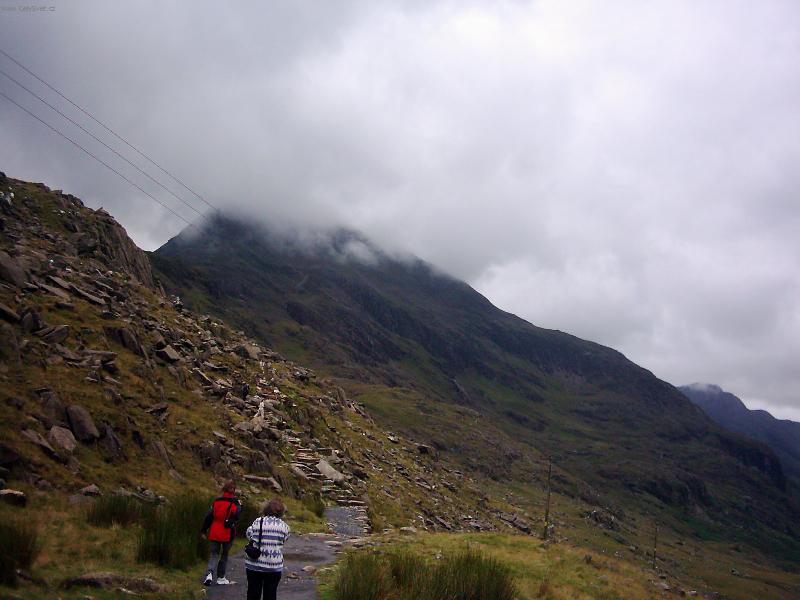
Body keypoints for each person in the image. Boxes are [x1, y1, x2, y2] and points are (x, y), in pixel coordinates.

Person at [245, 498, 290, 600]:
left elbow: (249, 534)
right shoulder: (284, 527)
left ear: (266, 509)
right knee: (271, 594)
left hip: (254, 565)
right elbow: (284, 539)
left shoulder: (258, 521)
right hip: (274, 566)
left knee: (253, 593)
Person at [201, 480, 241, 586]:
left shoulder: (217, 501)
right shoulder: (235, 502)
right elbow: (237, 516)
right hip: (228, 531)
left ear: (224, 489)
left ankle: (209, 574)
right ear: (234, 490)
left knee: (214, 553)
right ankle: (221, 577)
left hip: (215, 530)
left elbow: (209, 516)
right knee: (224, 554)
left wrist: (204, 530)